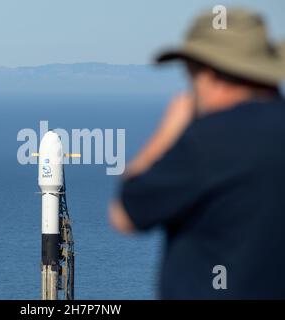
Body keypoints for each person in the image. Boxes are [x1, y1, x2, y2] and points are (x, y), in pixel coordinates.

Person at [109, 8, 285, 299]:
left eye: (191, 75)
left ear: (211, 74)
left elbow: (125, 214)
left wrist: (168, 132)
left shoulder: (210, 141)